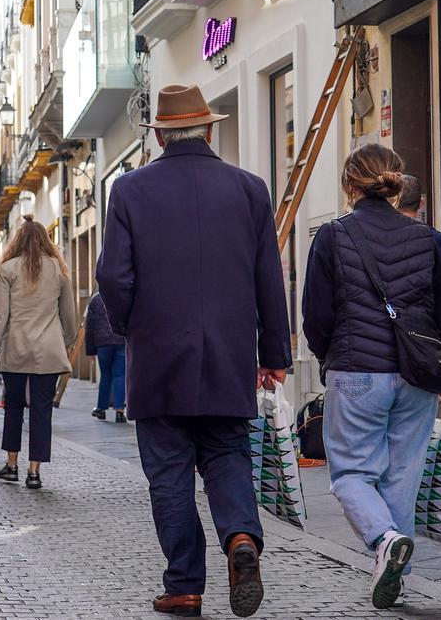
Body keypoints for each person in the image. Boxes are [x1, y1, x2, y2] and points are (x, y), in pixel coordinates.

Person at [97, 85, 291, 618]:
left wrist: (130, 325)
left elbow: (113, 276)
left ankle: (184, 586)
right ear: (210, 129)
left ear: (159, 135)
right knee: (228, 454)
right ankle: (240, 539)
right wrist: (273, 351)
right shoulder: (250, 189)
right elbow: (267, 279)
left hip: (159, 358)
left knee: (169, 473)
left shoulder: (130, 190)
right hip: (229, 355)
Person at [302, 144, 441, 609]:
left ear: (349, 184)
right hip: (416, 374)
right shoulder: (430, 239)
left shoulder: (332, 236)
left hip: (357, 372)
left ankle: (384, 541)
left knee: (351, 472)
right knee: (402, 476)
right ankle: (395, 573)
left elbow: (316, 314)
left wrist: (327, 354)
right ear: (395, 182)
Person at [0, 216, 77, 489]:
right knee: (41, 411)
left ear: (18, 241)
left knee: (13, 408)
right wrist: (68, 342)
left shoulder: (7, 269)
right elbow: (68, 315)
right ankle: (34, 471)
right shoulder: (59, 271)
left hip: (15, 348)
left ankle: (11, 465)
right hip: (48, 350)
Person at [397, 174, 441, 310]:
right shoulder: (435, 239)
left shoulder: (377, 236)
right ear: (421, 203)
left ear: (392, 201)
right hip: (424, 323)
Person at [84, 291, 126, 423]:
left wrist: (90, 350)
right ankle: (120, 411)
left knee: (106, 375)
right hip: (121, 341)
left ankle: (101, 409)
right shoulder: (123, 296)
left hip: (103, 344)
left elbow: (89, 326)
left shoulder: (96, 300)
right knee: (120, 375)